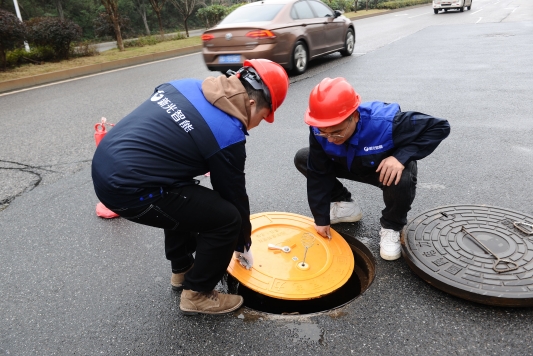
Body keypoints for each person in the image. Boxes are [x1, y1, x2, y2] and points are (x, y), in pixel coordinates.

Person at [92, 59, 289, 315]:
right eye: (264, 116)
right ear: (252, 103)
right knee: (227, 220)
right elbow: (233, 195)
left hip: (105, 167)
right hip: (130, 191)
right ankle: (197, 293)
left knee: (186, 197)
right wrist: (243, 242)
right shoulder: (227, 133)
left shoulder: (184, 85)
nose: (260, 123)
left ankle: (182, 269)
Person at [294, 77, 450, 261]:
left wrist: (401, 157)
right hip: (348, 163)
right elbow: (318, 173)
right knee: (305, 158)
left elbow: (439, 126)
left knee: (404, 176)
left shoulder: (386, 123)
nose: (329, 138)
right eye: (323, 132)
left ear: (355, 116)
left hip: (382, 170)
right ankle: (344, 205)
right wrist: (321, 218)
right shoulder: (319, 128)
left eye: (336, 131)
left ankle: (391, 227)